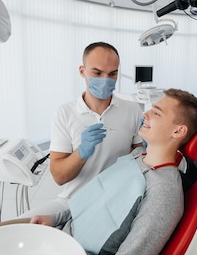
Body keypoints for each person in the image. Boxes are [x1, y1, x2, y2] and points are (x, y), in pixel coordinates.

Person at [0, 89, 197, 255]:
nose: (145, 114)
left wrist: (56, 252)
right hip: (61, 239)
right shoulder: (136, 158)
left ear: (178, 132)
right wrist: (55, 220)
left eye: (157, 112)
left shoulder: (163, 192)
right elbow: (92, 202)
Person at [20, 42, 144, 217]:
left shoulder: (132, 110)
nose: (105, 79)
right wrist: (81, 153)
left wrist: (146, 148)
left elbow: (140, 158)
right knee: (22, 225)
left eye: (112, 74)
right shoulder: (64, 114)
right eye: (97, 73)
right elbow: (60, 177)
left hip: (118, 197)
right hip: (74, 200)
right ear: (82, 71)